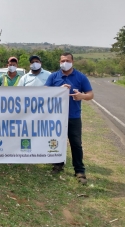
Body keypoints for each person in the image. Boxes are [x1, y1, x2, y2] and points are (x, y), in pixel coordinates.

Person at [45, 52, 94, 185]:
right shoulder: (54, 76)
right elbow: (43, 92)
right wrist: (58, 90)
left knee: (76, 144)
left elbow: (90, 94)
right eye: (62, 61)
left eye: (67, 60)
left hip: (73, 116)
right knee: (57, 142)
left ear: (72, 62)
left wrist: (81, 96)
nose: (64, 63)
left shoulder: (80, 77)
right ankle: (58, 164)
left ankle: (79, 171)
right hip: (56, 116)